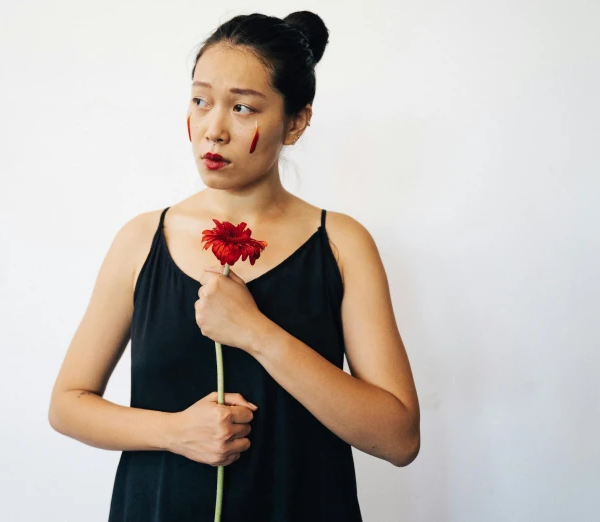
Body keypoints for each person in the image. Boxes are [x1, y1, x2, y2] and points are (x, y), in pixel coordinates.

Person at [48, 11, 420, 521]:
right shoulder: (141, 240)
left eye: (243, 108)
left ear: (295, 123)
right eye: (201, 101)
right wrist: (175, 432)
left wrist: (256, 333)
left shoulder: (340, 244)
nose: (214, 130)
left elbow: (398, 438)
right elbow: (68, 404)